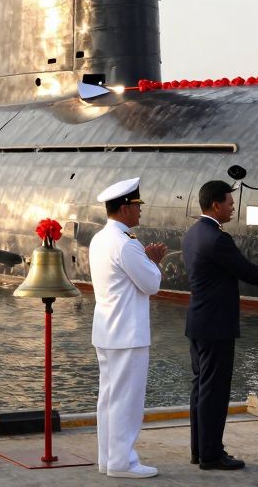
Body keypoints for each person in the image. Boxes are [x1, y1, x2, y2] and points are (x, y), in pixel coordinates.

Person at [183, 180, 258, 471]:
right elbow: (246, 270)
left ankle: (199, 450)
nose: (234, 206)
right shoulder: (218, 239)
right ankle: (211, 454)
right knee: (214, 391)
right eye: (230, 202)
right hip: (216, 325)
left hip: (199, 322)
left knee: (201, 388)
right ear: (216, 204)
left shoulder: (193, 233)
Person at [89, 177, 168, 479]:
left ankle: (108, 458)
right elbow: (151, 284)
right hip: (128, 334)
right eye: (136, 207)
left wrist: (144, 260)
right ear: (124, 208)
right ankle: (123, 462)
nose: (140, 212)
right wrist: (154, 262)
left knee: (108, 399)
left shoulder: (100, 239)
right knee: (127, 401)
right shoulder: (126, 243)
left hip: (107, 331)